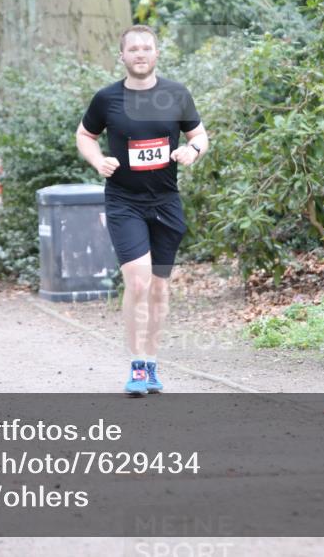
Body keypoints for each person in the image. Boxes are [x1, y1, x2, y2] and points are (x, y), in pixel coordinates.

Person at [76, 25, 209, 396]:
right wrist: (96, 159)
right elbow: (85, 135)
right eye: (133, 49)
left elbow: (199, 135)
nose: (140, 53)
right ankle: (136, 366)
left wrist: (192, 151)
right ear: (122, 56)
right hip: (124, 202)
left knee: (160, 289)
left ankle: (151, 364)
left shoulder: (176, 94)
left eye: (146, 48)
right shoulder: (106, 99)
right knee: (138, 281)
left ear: (156, 54)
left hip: (166, 202)